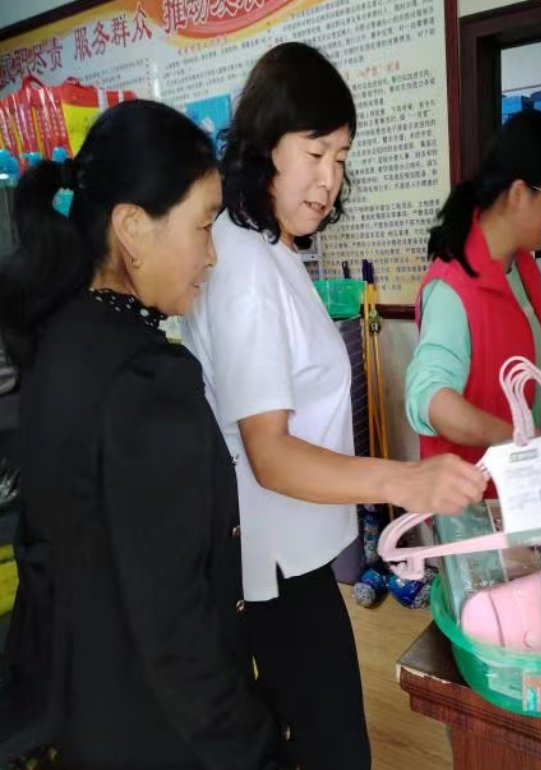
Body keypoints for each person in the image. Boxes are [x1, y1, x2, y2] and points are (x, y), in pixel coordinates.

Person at [181, 42, 486, 770]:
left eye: (341, 158)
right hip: (272, 564)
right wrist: (403, 478)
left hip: (297, 553)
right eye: (315, 153)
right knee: (333, 749)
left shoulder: (271, 248)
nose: (329, 180)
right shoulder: (244, 263)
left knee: (326, 740)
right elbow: (270, 453)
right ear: (265, 146)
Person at [0, 100, 284, 770]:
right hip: (157, 733)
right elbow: (176, 630)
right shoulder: (147, 380)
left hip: (84, 715)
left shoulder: (57, 340)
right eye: (203, 225)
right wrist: (257, 753)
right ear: (132, 227)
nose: (211, 255)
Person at [406, 110, 541, 464]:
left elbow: (498, 358)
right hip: (476, 488)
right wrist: (520, 437)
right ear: (518, 193)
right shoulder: (452, 290)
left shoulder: (520, 265)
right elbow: (429, 396)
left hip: (524, 479)